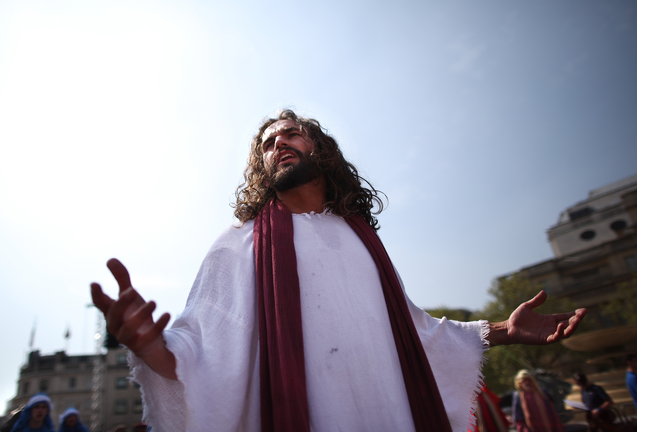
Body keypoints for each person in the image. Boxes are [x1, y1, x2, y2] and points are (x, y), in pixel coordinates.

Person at [90, 109, 587, 432]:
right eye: (267, 143)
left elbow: (420, 338)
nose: (278, 144)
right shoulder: (236, 247)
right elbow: (199, 356)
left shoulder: (362, 241)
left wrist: (503, 329)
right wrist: (146, 342)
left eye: (290, 134)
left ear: (320, 149)